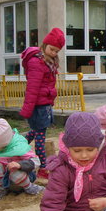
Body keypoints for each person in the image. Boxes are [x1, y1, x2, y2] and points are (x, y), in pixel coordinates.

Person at [20, 27, 65, 168]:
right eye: (52, 49)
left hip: (45, 103)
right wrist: (27, 109)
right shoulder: (37, 62)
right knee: (40, 136)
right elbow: (32, 88)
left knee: (36, 131)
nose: (54, 53)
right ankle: (43, 164)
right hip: (38, 105)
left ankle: (17, 146)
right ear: (45, 45)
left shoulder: (49, 62)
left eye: (57, 51)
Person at [0, 118, 45, 200]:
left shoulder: (19, 147)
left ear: (4, 144)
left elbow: (36, 161)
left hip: (24, 177)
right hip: (7, 178)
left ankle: (30, 188)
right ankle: (1, 189)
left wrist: (19, 165)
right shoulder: (0, 147)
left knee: (15, 173)